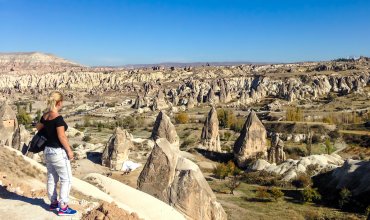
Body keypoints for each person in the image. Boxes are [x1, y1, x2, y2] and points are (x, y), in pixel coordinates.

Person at [36, 91, 77, 216]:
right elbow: (62, 136)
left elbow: (38, 127)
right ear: (59, 102)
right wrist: (69, 151)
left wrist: (48, 131)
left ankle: (53, 203)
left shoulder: (45, 116)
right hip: (57, 152)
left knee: (52, 177)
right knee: (67, 179)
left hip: (47, 151)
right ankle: (63, 206)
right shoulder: (57, 118)